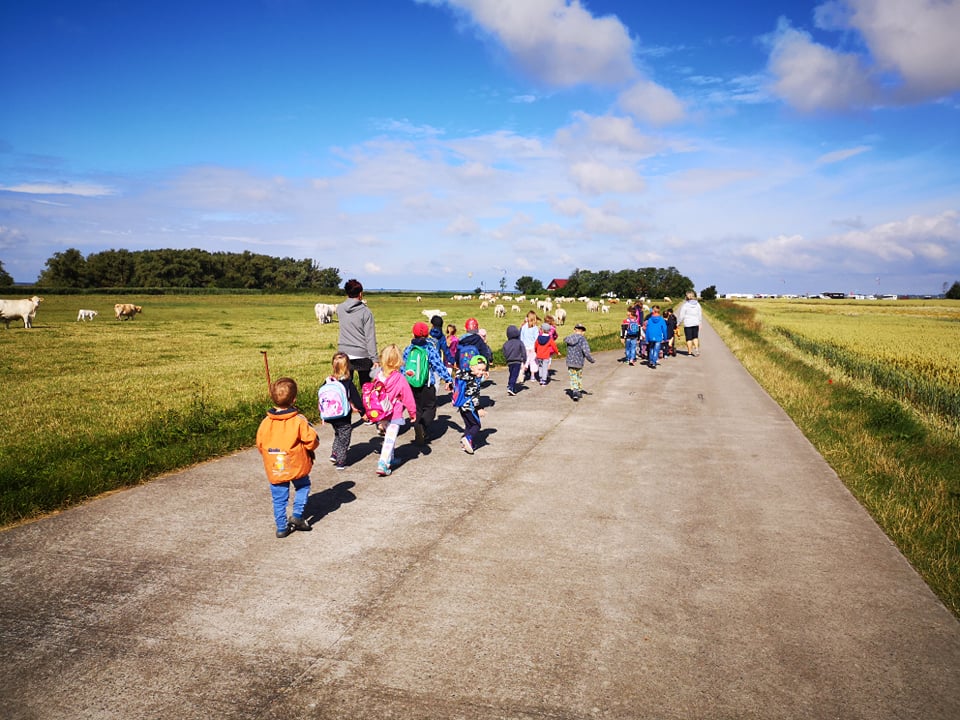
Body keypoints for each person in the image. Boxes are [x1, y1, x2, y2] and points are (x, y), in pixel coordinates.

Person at [255, 377, 320, 538]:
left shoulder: (265, 422)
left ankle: (281, 527)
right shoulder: (299, 421)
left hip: (275, 465)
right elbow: (312, 441)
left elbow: (260, 444)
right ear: (294, 399)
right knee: (303, 486)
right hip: (296, 464)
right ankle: (297, 515)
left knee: (278, 497)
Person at [402, 322, 453, 445]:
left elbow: (403, 367)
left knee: (417, 408)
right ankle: (423, 427)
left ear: (413, 334)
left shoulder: (409, 349)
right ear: (427, 334)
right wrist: (448, 379)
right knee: (430, 407)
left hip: (412, 385)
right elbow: (438, 365)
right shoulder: (429, 348)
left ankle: (418, 427)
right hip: (427, 384)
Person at [372, 344, 417, 476]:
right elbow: (408, 398)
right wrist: (412, 413)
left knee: (388, 436)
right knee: (390, 439)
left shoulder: (378, 377)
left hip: (380, 412)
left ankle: (390, 459)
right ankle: (383, 462)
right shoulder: (400, 379)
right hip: (394, 413)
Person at [321, 352, 364, 470]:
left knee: (338, 433)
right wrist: (363, 413)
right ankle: (341, 461)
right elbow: (357, 400)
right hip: (343, 416)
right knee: (345, 436)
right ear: (348, 367)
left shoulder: (328, 381)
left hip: (330, 415)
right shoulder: (348, 383)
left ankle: (335, 453)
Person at [336, 278, 379, 388]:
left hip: (344, 353)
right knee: (366, 387)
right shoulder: (366, 312)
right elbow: (370, 337)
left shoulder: (340, 308)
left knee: (344, 385)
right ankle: (365, 404)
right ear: (360, 294)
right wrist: (375, 359)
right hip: (362, 354)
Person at [454, 354, 488, 454]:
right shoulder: (473, 380)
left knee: (468, 425)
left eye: (483, 370)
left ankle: (466, 444)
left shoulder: (464, 375)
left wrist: (482, 379)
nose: (481, 372)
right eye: (479, 369)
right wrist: (478, 408)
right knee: (476, 425)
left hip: (462, 405)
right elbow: (474, 395)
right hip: (470, 406)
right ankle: (468, 438)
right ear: (472, 367)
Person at [564, 323, 595, 401]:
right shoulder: (582, 339)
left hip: (570, 362)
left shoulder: (569, 339)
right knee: (578, 376)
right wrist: (591, 359)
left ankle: (576, 390)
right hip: (579, 362)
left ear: (574, 330)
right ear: (583, 332)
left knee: (573, 376)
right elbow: (586, 351)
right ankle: (576, 391)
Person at [501, 324, 526, 396]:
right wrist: (524, 359)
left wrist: (506, 358)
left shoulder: (506, 343)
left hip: (509, 361)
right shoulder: (519, 342)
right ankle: (511, 387)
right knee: (515, 375)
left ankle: (511, 385)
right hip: (517, 360)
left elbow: (504, 351)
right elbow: (523, 351)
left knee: (512, 373)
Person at [676, 289, 703, 356]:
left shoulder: (685, 305)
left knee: (689, 338)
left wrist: (678, 323)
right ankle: (697, 350)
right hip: (696, 323)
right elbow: (699, 314)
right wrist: (700, 322)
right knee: (695, 337)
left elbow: (682, 315)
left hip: (688, 323)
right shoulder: (698, 304)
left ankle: (690, 352)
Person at [519, 311, 540, 383]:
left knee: (525, 361)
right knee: (533, 362)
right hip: (532, 348)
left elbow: (521, 338)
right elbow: (536, 339)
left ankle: (522, 373)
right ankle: (532, 376)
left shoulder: (524, 327)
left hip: (525, 347)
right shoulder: (535, 328)